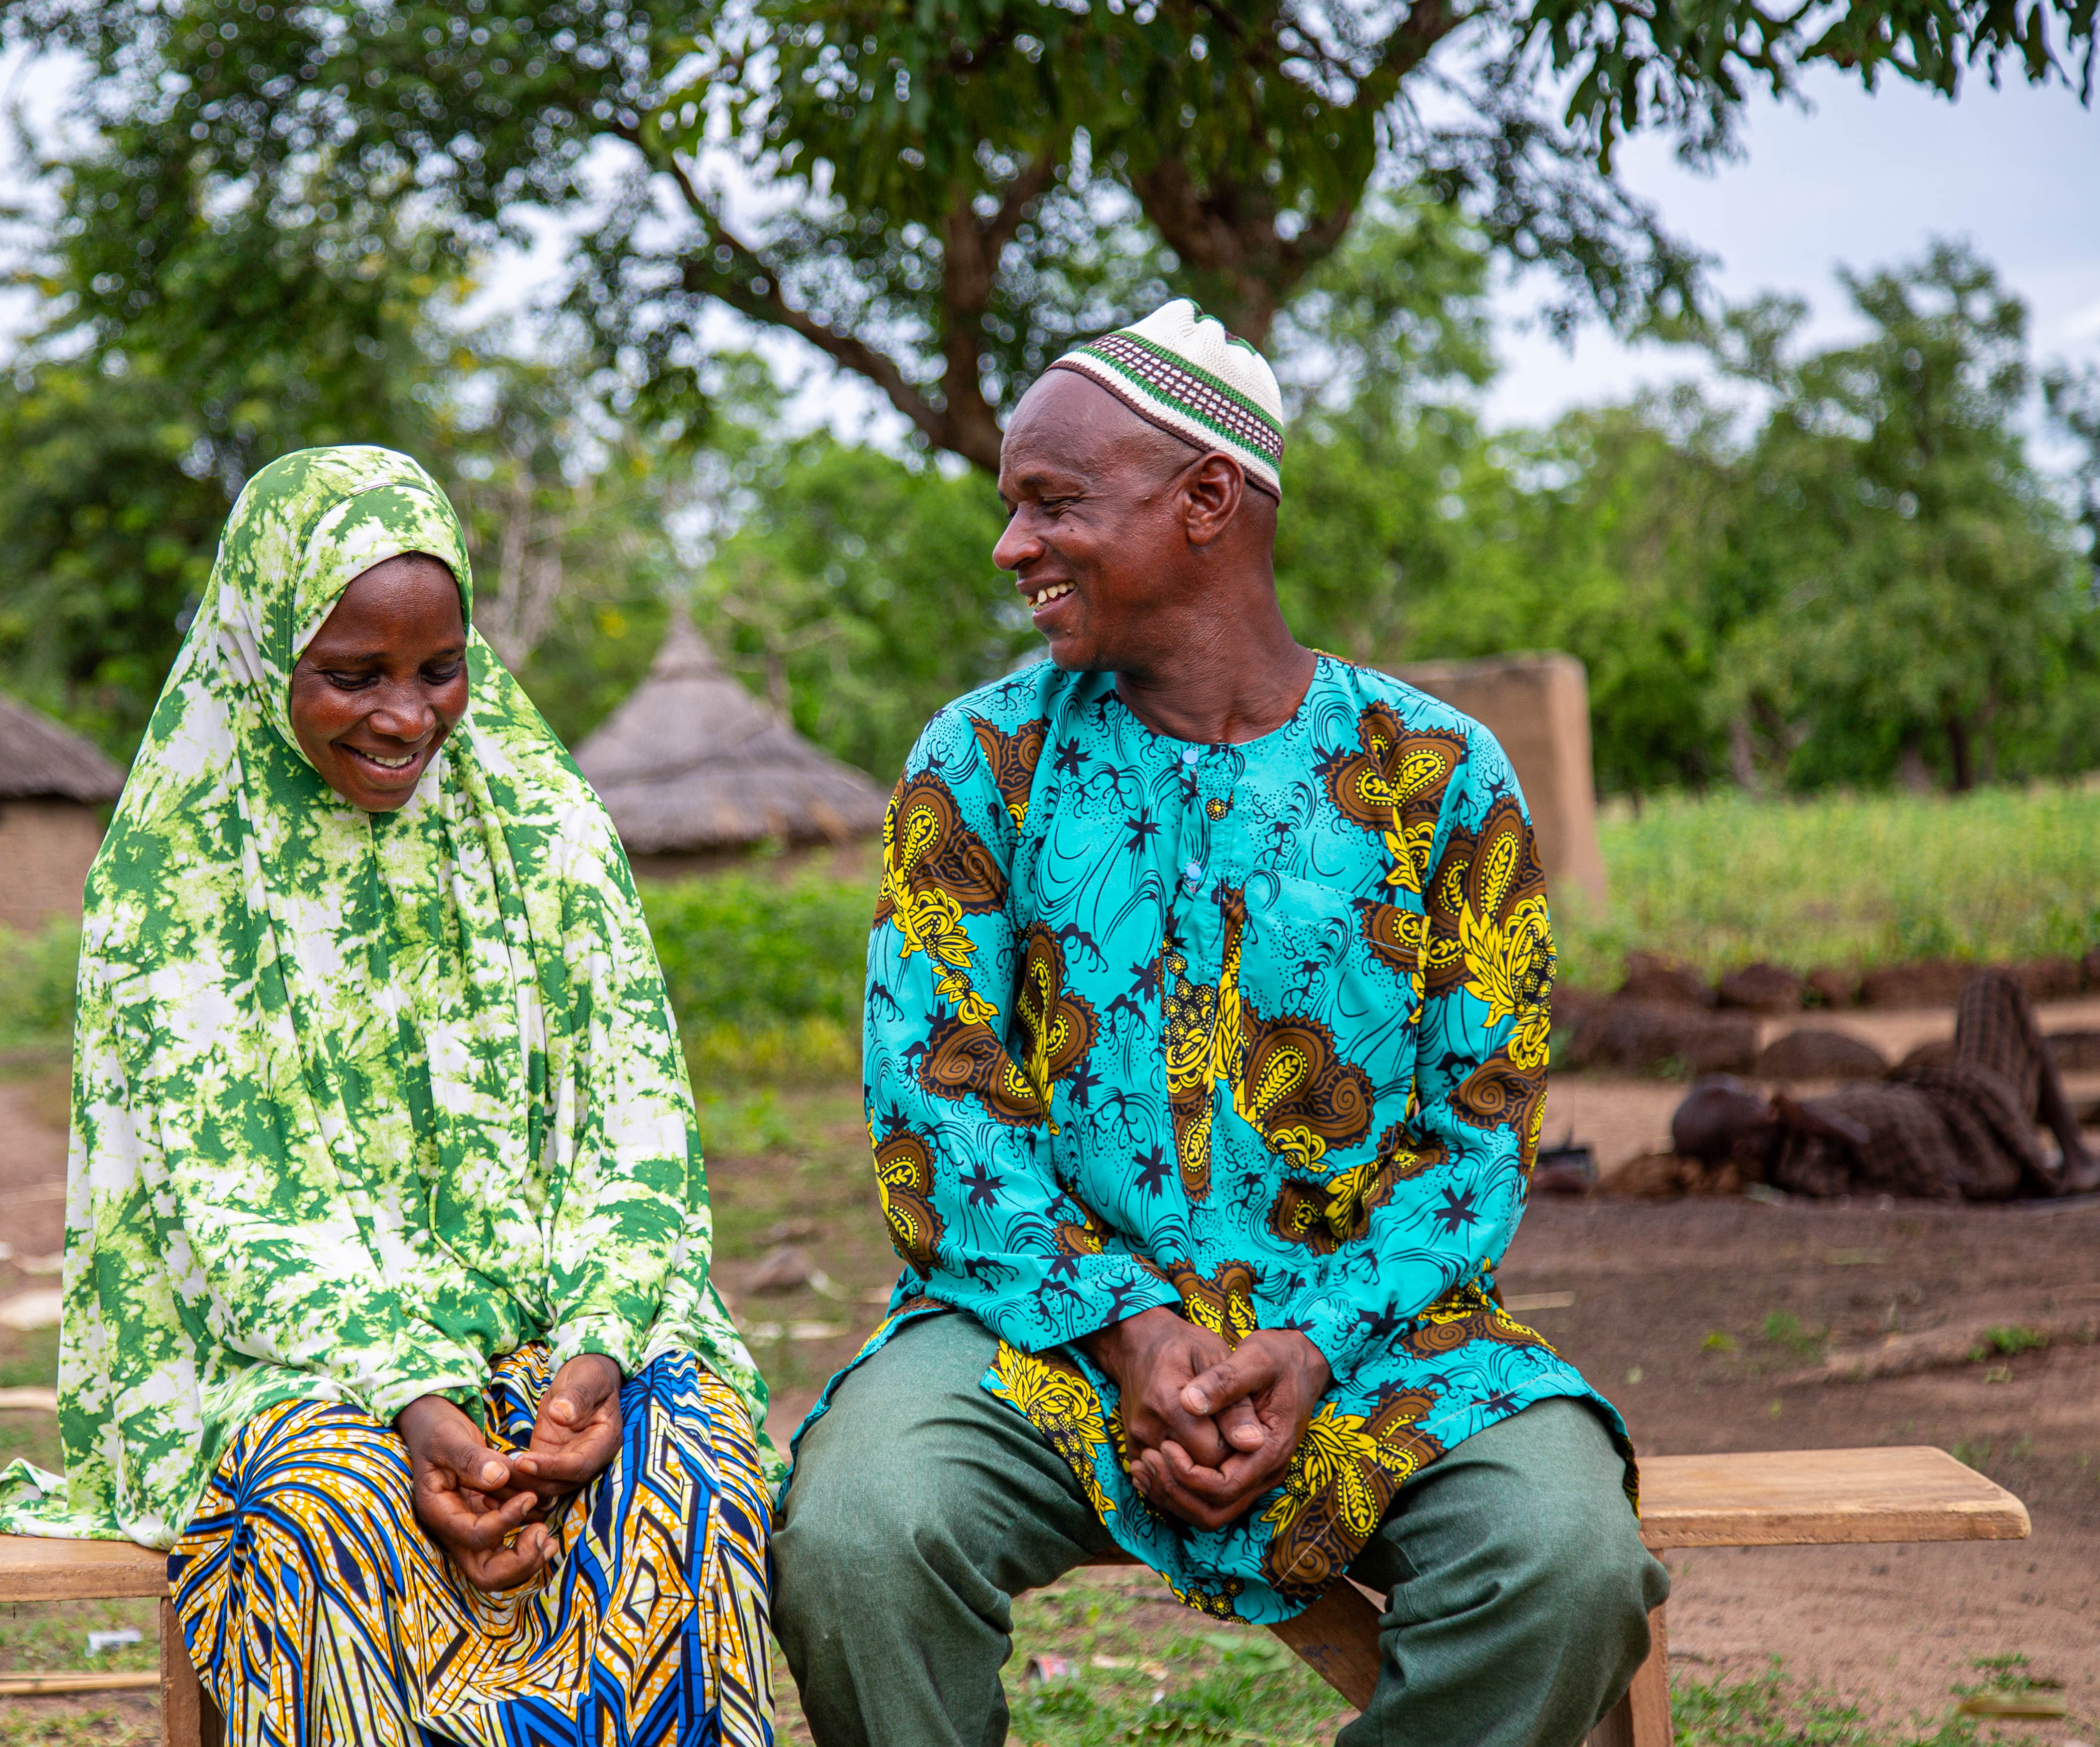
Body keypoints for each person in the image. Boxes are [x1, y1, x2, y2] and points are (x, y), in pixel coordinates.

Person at [771, 302, 1667, 1747]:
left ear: (1205, 501)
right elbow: (934, 1117)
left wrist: (1304, 1343)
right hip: (1035, 1338)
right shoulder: (981, 763)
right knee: (861, 1532)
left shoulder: (1432, 775)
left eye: (1050, 503)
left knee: (1558, 1558)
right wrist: (1132, 1333)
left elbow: (1477, 1141)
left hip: (1373, 1340)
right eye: (1009, 508)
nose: (1010, 546)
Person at [0, 447, 776, 1745]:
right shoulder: (178, 867)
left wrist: (587, 1367)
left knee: (680, 1473)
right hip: (288, 1357)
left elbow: (633, 1135)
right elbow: (228, 1203)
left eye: (437, 669)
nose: (405, 715)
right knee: (332, 1512)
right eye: (351, 674)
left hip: (557, 1325)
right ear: (261, 654)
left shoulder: (544, 830)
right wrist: (419, 1406)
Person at [1672, 971, 2097, 1200]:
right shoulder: (1800, 1161)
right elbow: (1875, 1176)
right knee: (1992, 989)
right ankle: (2075, 1156)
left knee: (1992, 996)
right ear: (1744, 1146)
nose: (1762, 1095)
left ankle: (2072, 1153)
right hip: (1983, 1133)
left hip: (1963, 1102)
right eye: (1749, 1099)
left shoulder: (1793, 1134)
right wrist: (1818, 1122)